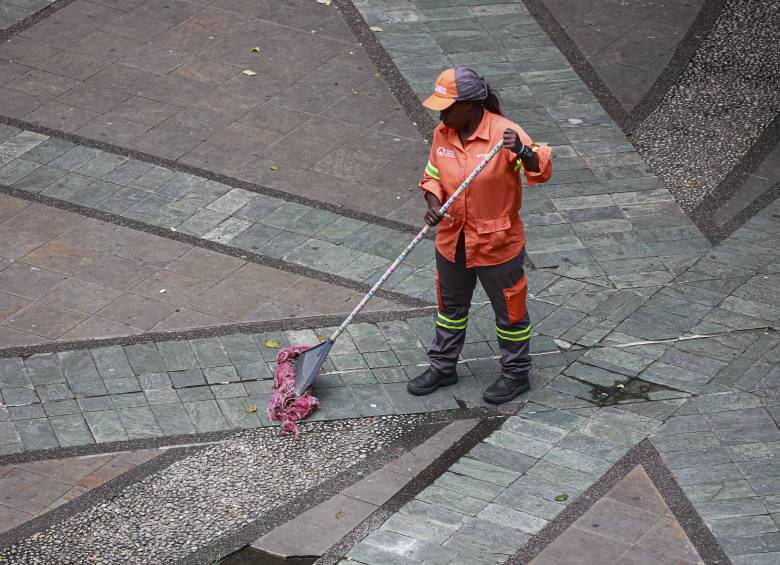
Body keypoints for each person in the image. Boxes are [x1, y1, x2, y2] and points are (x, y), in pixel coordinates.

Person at [407, 67, 552, 404]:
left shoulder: (507, 134)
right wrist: (433, 203)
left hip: (497, 244)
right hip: (452, 239)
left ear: (471, 105)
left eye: (447, 107)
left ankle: (516, 375)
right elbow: (432, 178)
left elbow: (540, 171)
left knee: (510, 314)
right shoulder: (444, 133)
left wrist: (524, 152)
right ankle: (443, 367)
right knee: (450, 308)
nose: (442, 114)